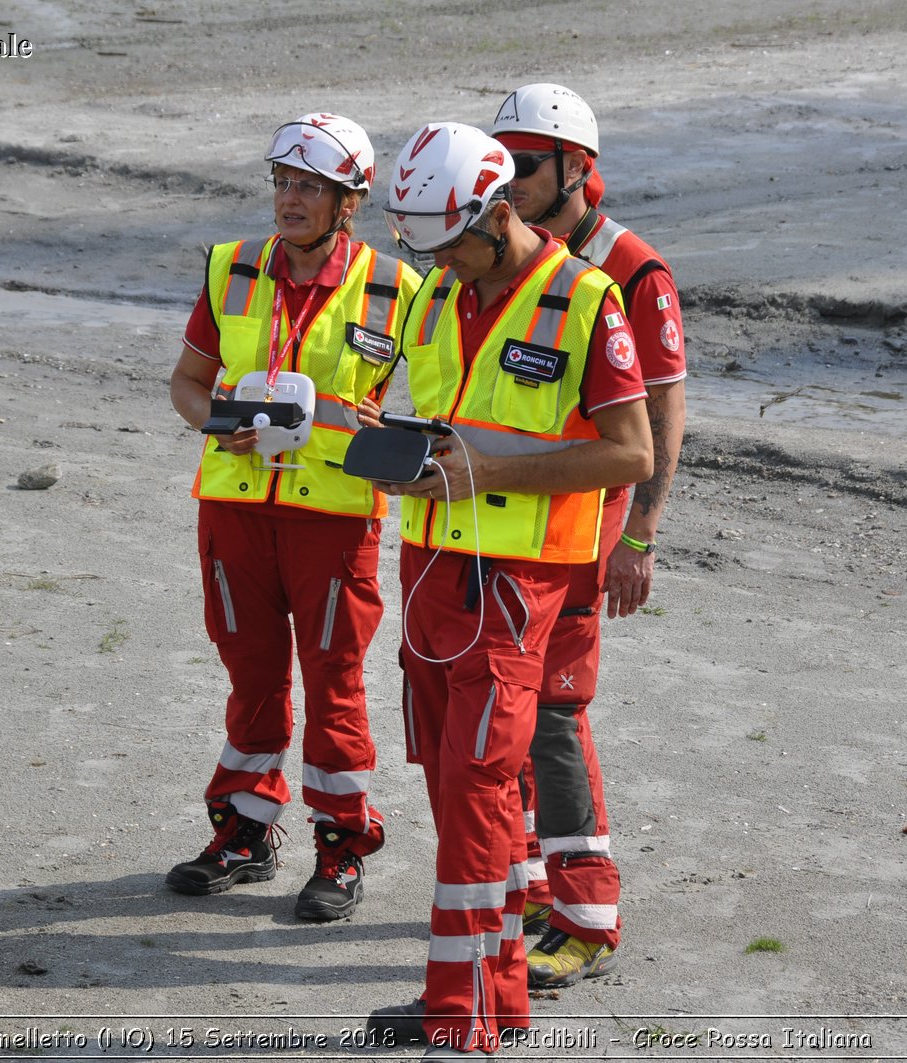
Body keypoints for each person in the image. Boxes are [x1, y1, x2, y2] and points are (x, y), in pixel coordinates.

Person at [365, 122, 652, 1057]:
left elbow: (630, 451)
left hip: (515, 584)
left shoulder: (585, 300)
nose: (435, 259)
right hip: (431, 568)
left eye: (448, 239)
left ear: (497, 211)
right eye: (422, 243)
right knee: (451, 785)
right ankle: (494, 1001)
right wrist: (393, 448)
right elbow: (427, 408)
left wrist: (485, 473)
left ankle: (462, 1017)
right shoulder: (439, 288)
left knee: (482, 784)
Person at [165, 112, 420, 921]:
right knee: (251, 675)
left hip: (336, 521)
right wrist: (216, 423)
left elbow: (448, 404)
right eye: (281, 182)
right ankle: (244, 829)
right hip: (234, 509)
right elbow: (187, 383)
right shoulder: (230, 267)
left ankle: (342, 845)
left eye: (308, 186)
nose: (288, 199)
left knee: (334, 683)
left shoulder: (398, 289)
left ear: (350, 201)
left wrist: (384, 438)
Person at [489, 82, 689, 988]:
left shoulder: (632, 268)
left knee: (556, 718)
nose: (509, 181)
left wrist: (639, 536)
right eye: (501, 163)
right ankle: (528, 880)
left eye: (524, 165)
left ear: (578, 167)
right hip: (503, 528)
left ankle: (588, 914)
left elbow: (662, 408)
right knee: (510, 710)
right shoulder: (498, 245)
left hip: (582, 530)